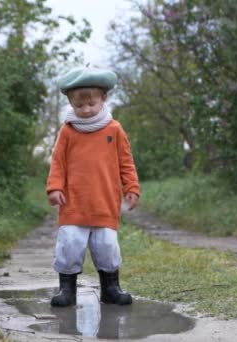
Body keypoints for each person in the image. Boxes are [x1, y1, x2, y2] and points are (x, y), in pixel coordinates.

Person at [46, 66, 140, 307]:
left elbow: (126, 161)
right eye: (79, 106)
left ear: (104, 99)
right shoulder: (68, 131)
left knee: (107, 246)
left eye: (91, 104)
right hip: (74, 203)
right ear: (70, 103)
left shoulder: (114, 129)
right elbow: (58, 161)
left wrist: (131, 186)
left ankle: (110, 288)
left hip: (104, 202)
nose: (85, 110)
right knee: (70, 245)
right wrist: (55, 187)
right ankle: (67, 290)